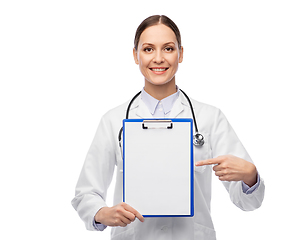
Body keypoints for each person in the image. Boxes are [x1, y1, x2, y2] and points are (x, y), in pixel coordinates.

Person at [71, 15, 265, 240]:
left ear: (181, 54)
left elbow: (249, 202)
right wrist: (102, 213)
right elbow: (85, 193)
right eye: (148, 49)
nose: (159, 58)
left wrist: (250, 177)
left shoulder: (209, 118)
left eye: (168, 48)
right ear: (135, 55)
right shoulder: (113, 121)